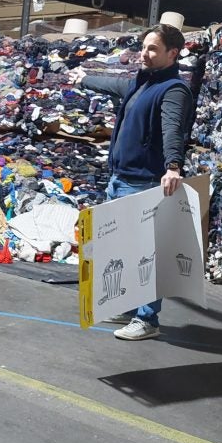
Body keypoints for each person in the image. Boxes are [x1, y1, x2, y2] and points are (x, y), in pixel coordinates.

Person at [70, 22, 195, 341]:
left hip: (144, 182)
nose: (145, 53)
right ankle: (128, 305)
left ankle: (148, 319)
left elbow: (172, 129)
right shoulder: (143, 81)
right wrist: (85, 79)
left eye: (153, 48)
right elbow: (114, 85)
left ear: (172, 53)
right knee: (123, 248)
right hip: (121, 178)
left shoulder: (172, 90)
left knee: (145, 254)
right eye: (144, 46)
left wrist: (173, 165)